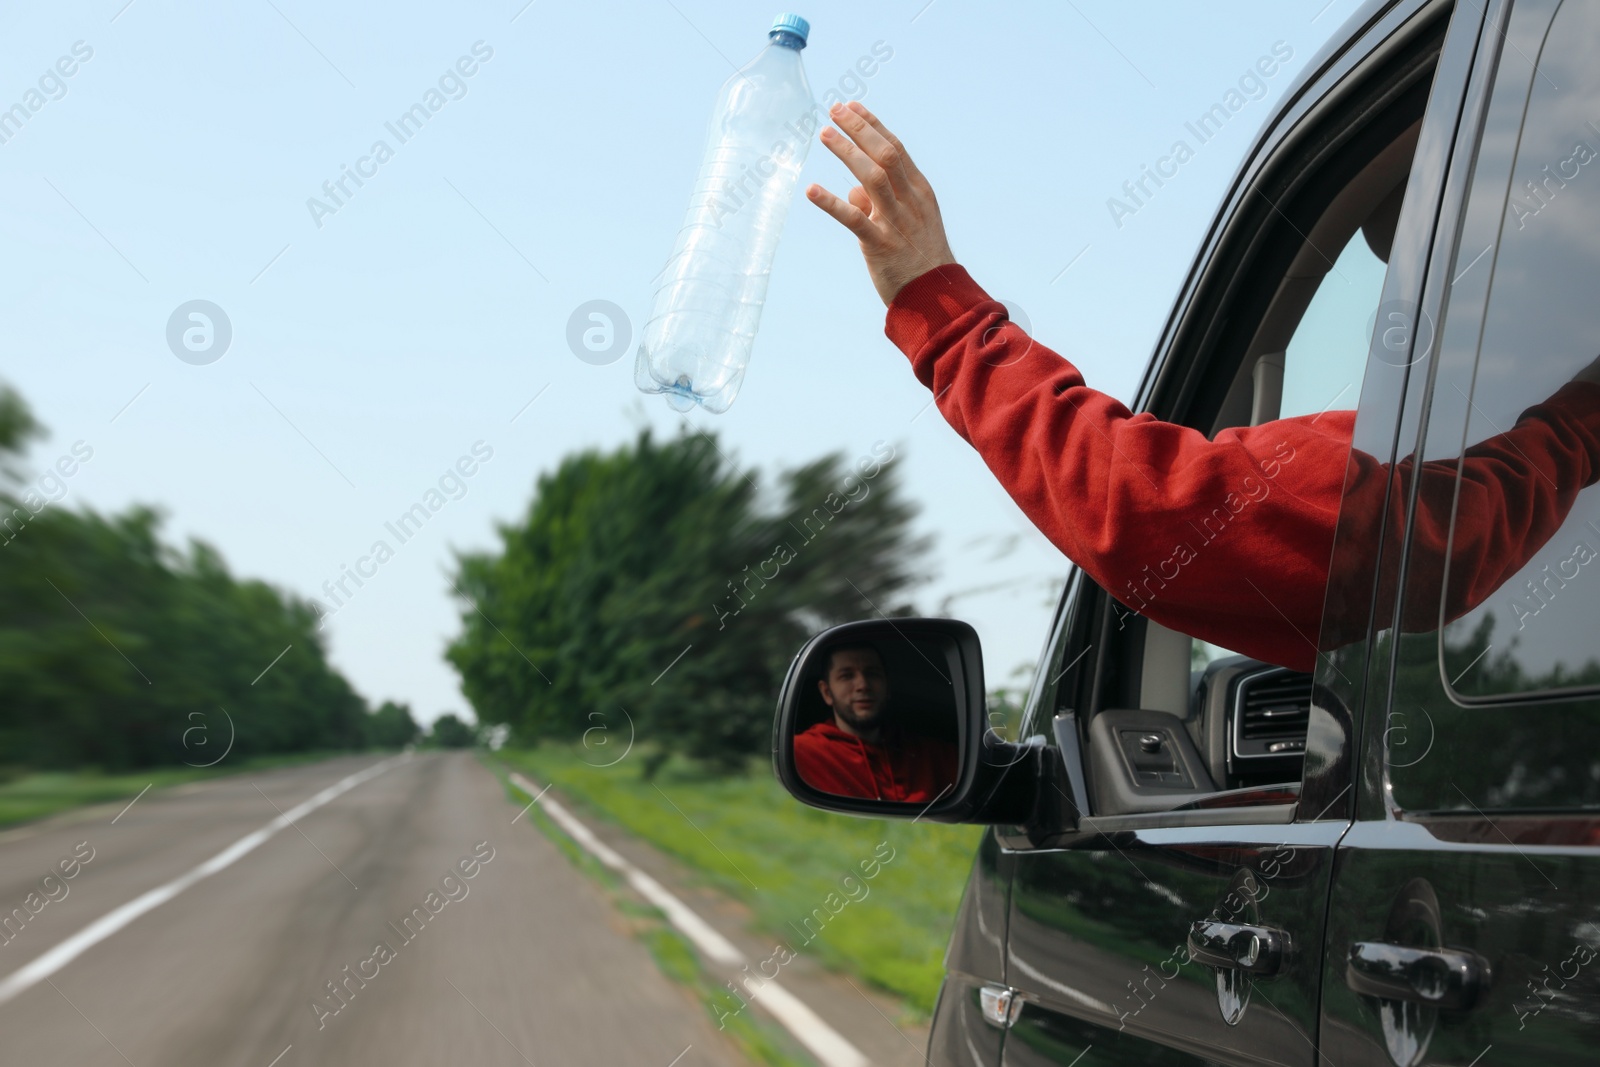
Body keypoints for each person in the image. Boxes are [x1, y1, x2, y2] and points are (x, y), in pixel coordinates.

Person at [803, 100, 1600, 672]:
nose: (1424, 317)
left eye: (1458, 269)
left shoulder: (1529, 458)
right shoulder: (1542, 446)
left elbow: (1157, 511)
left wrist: (943, 315)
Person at [793, 641, 958, 803]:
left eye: (872, 673)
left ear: (887, 686)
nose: (863, 685)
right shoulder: (802, 751)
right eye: (847, 676)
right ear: (827, 692)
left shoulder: (933, 755)